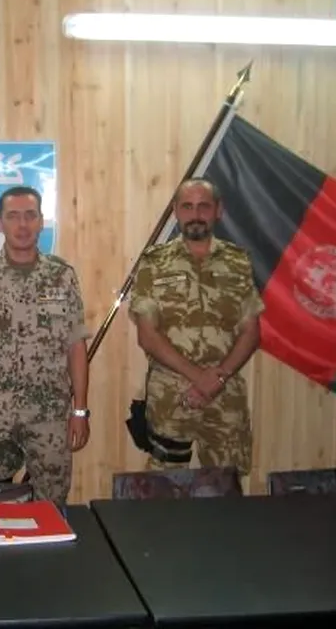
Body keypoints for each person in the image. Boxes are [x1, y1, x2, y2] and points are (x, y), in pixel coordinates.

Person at [0, 185, 90, 505]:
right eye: (13, 216)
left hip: (49, 416)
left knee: (52, 504)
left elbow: (76, 346)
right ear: (0, 224)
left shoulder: (62, 276)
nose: (22, 225)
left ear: (41, 221)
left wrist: (80, 410)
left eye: (30, 215)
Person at [128, 178, 263, 475]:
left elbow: (251, 332)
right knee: (164, 485)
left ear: (218, 211)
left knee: (227, 485)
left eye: (204, 206)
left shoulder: (238, 261)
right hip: (171, 395)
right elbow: (147, 336)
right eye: (187, 206)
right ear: (176, 211)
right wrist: (200, 378)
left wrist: (219, 377)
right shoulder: (154, 262)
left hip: (225, 392)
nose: (196, 214)